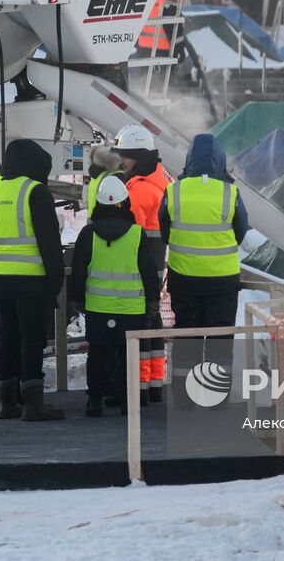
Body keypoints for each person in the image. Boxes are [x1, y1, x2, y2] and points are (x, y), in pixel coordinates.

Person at [0, 138, 66, 421]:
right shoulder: (35, 192)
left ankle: (5, 401)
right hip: (31, 280)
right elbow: (50, 243)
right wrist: (54, 283)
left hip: (0, 279)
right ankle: (33, 403)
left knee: (8, 337)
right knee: (32, 340)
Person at [160, 133, 249, 401]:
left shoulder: (174, 190)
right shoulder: (229, 192)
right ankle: (215, 399)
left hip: (184, 278)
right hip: (222, 281)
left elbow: (165, 230)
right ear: (220, 161)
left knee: (187, 337)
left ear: (189, 161)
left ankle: (184, 398)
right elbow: (240, 231)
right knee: (220, 340)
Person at [69, 176, 161, 417]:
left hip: (97, 307)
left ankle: (95, 401)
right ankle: (126, 401)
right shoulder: (136, 235)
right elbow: (149, 272)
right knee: (126, 354)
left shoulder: (88, 234)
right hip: (131, 309)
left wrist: (77, 299)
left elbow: (78, 271)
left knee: (97, 353)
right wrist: (152, 301)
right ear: (125, 203)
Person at [114, 123, 172, 403]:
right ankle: (153, 385)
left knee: (139, 327)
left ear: (137, 154)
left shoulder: (139, 189)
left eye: (125, 155)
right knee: (153, 326)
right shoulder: (161, 181)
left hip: (138, 265)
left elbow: (126, 229)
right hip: (156, 262)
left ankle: (138, 389)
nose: (121, 161)